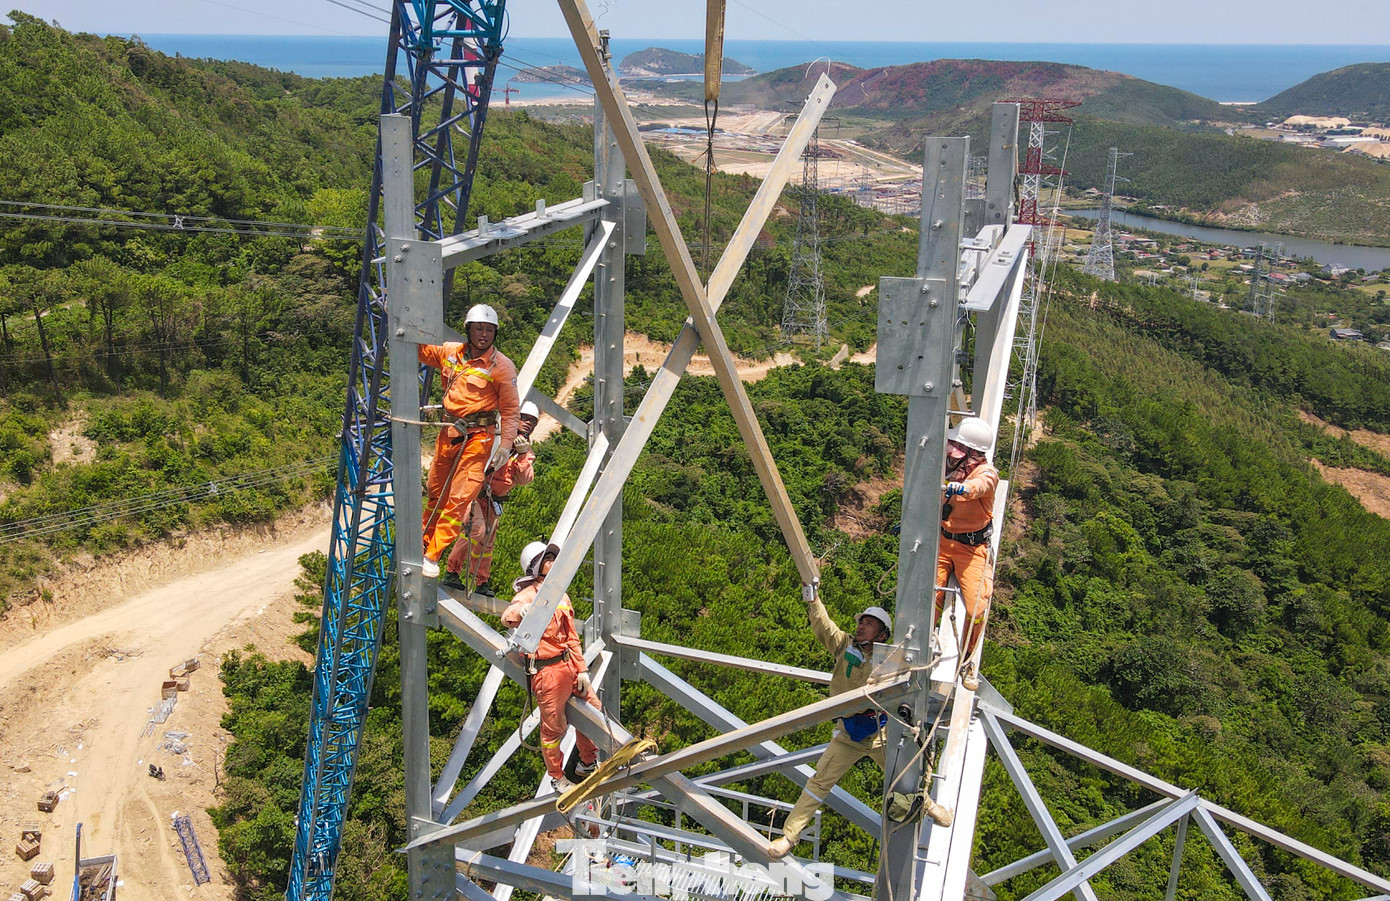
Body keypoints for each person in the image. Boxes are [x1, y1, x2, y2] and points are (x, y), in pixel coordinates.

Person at [769, 595, 950, 859]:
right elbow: (823, 625)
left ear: (882, 634)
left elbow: (918, 674)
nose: (861, 626)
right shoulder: (845, 646)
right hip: (848, 733)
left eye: (869, 624)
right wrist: (813, 598)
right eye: (861, 622)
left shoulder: (892, 658)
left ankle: (929, 806)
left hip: (880, 732)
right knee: (818, 783)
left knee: (905, 778)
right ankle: (789, 836)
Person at [417, 303, 520, 578]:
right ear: (468, 330)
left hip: (478, 438)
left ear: (495, 333)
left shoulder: (501, 367)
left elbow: (510, 411)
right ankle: (424, 542)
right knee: (436, 493)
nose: (483, 335)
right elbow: (418, 348)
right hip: (450, 432)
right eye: (478, 329)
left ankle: (433, 554)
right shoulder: (451, 353)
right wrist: (401, 314)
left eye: (488, 330)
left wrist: (505, 445)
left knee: (460, 498)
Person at [501, 540, 602, 792]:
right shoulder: (527, 596)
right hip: (547, 672)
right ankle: (557, 776)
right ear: (535, 567)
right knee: (554, 728)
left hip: (567, 664)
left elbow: (571, 637)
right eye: (548, 559)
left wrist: (581, 669)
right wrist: (523, 611)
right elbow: (507, 617)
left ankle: (586, 763)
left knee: (594, 710)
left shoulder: (560, 595)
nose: (553, 563)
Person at [443, 401, 540, 596]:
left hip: (493, 500)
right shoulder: (497, 438)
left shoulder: (525, 452)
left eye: (532, 421)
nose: (528, 423)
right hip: (476, 493)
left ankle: (481, 582)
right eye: (524, 418)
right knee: (476, 531)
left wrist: (521, 455)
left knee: (487, 541)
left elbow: (524, 479)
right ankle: (452, 571)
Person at [937, 416, 999, 692]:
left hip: (971, 548)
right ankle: (921, 647)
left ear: (973, 455)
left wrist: (963, 488)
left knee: (976, 607)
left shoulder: (983, 474)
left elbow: (983, 485)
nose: (950, 453)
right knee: (930, 597)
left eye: (957, 449)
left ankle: (967, 660)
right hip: (941, 541)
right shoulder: (947, 468)